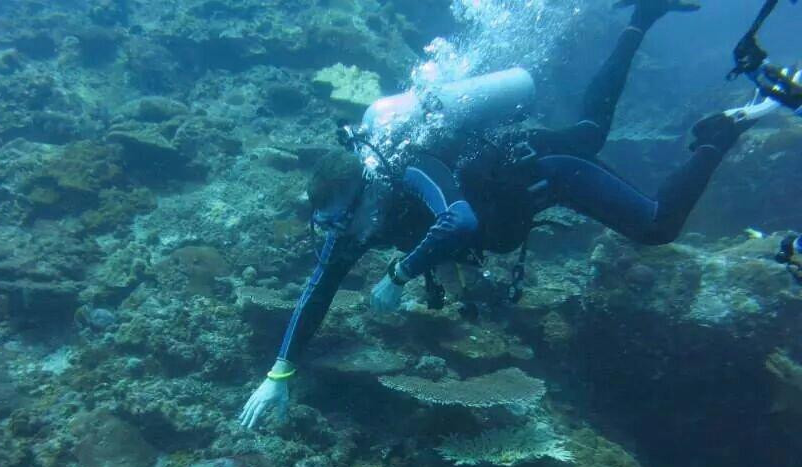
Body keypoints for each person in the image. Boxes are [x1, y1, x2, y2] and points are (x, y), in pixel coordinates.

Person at [239, 0, 756, 430]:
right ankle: (642, 16)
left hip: (546, 173)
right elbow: (318, 288)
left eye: (341, 221)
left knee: (655, 225)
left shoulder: (408, 168)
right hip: (514, 193)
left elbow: (460, 220)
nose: (340, 235)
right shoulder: (351, 216)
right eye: (328, 224)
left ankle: (720, 136)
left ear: (365, 192)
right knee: (590, 127)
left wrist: (398, 275)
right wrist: (278, 373)